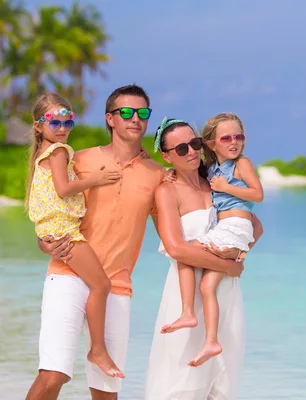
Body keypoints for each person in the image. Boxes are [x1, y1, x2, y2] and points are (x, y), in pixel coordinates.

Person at [26, 84, 246, 400]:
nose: (135, 119)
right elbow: (51, 202)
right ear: (110, 119)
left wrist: (233, 251)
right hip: (68, 276)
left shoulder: (158, 175)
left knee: (106, 389)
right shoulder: (81, 160)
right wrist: (44, 241)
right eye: (126, 112)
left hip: (117, 287)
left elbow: (179, 237)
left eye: (142, 113)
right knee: (54, 374)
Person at [145, 117, 263, 399]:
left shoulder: (215, 182)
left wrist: (240, 255)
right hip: (185, 295)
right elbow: (176, 249)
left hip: (225, 294)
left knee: (223, 383)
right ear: (167, 156)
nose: (191, 152)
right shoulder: (167, 190)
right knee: (179, 383)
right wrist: (228, 266)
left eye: (195, 144)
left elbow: (254, 226)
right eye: (181, 148)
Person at [26, 93, 125, 379]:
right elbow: (62, 189)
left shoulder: (42, 154)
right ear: (38, 125)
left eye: (68, 121)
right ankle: (97, 349)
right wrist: (95, 180)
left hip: (53, 229)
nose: (62, 128)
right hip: (64, 230)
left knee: (98, 285)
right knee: (102, 285)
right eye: (54, 122)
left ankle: (95, 348)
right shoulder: (59, 151)